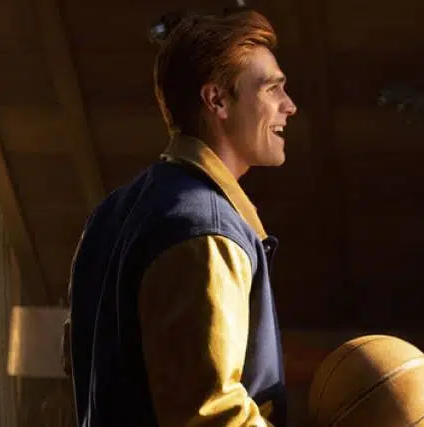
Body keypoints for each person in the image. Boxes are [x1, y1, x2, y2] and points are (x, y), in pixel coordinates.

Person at [64, 10, 296, 427]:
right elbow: (210, 415)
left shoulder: (113, 211)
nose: (289, 106)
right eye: (272, 89)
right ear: (217, 100)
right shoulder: (207, 233)